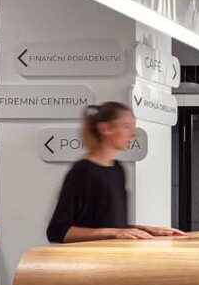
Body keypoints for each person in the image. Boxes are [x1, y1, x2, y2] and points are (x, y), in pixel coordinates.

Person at [46, 102, 186, 243]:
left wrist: (148, 230)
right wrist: (115, 232)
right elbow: (58, 232)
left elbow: (110, 225)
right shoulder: (82, 172)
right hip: (90, 262)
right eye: (126, 127)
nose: (133, 134)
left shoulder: (118, 169)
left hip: (114, 260)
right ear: (106, 128)